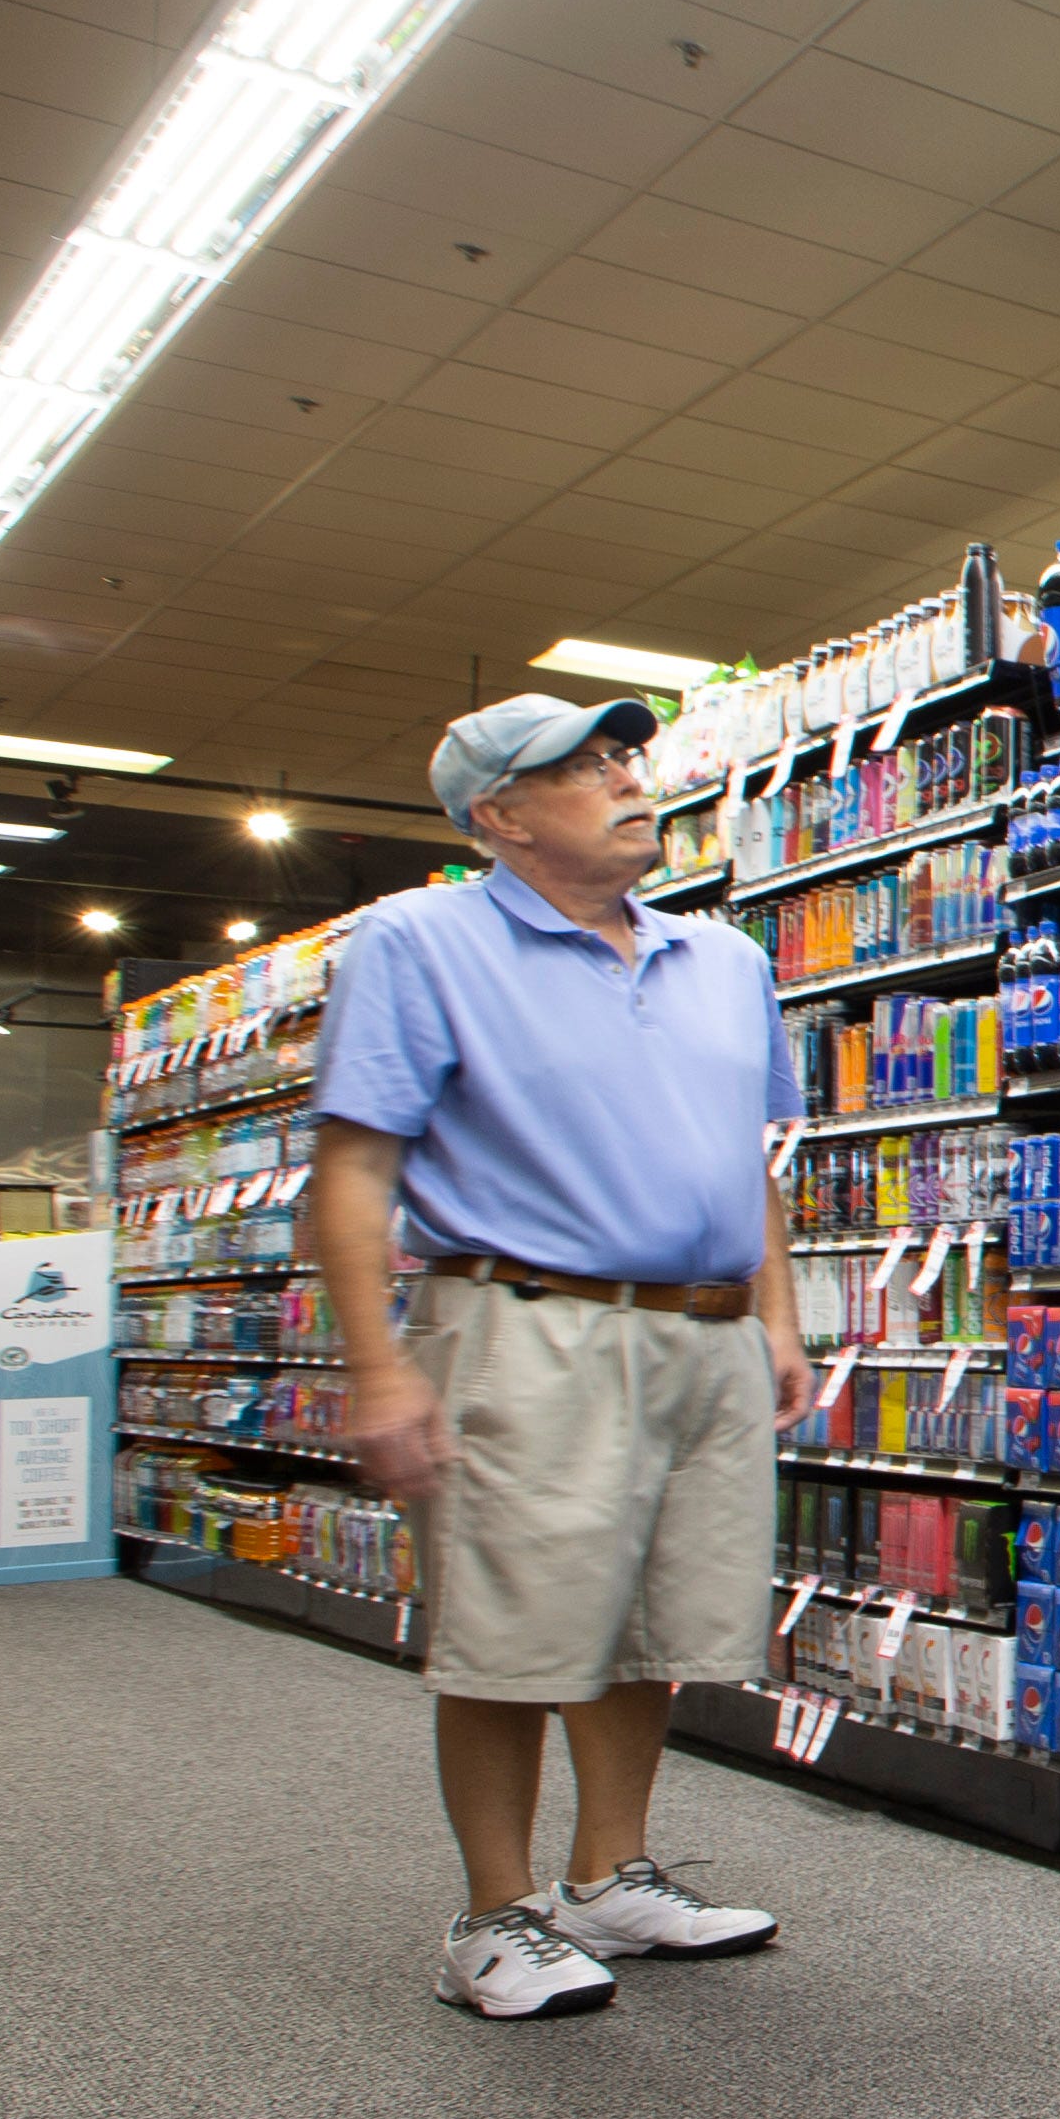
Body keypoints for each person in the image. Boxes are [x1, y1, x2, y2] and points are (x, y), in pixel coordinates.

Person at [307, 693, 810, 2019]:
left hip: (704, 1332)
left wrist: (779, 1314)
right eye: (583, 769)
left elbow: (746, 1156)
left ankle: (608, 1877)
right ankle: (492, 1915)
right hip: (529, 1324)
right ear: (501, 816)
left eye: (624, 757)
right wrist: (378, 1369)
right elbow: (353, 1169)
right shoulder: (418, 942)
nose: (629, 781)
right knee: (510, 1629)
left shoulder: (724, 959)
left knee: (649, 1622)